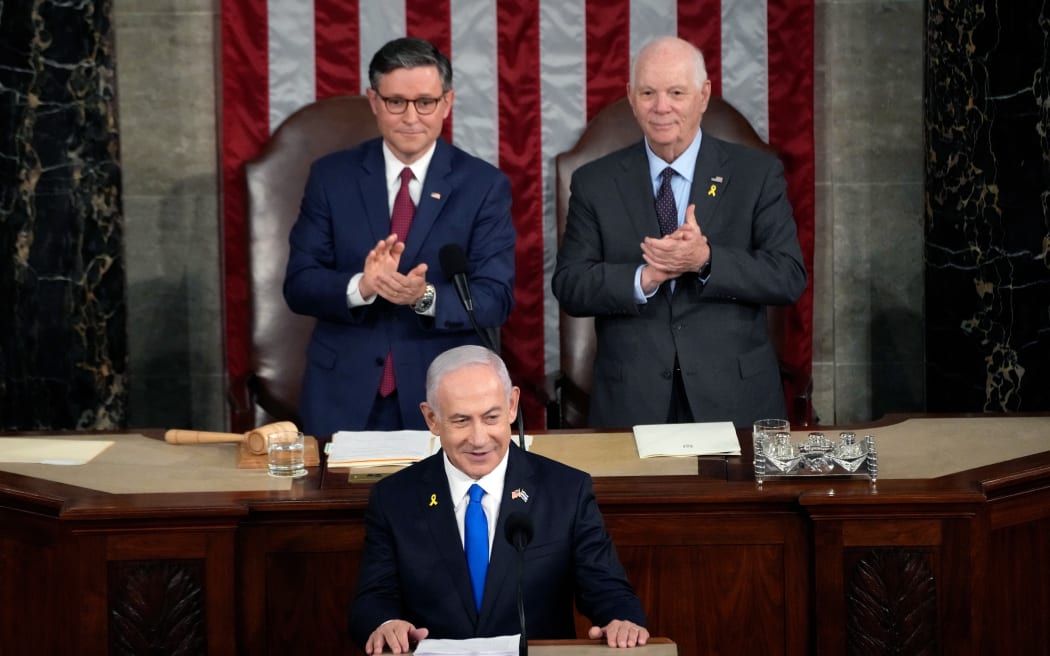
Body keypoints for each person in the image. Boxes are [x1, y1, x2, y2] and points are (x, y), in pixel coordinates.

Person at [551, 36, 806, 429]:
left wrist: (707, 261)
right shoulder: (594, 182)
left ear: (703, 96)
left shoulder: (755, 174)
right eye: (648, 92)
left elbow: (788, 277)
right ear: (631, 98)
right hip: (632, 404)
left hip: (734, 402)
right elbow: (570, 285)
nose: (661, 107)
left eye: (676, 92)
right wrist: (642, 278)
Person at [283, 37, 516, 437]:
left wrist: (423, 297)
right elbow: (299, 283)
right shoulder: (331, 177)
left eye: (425, 101)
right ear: (373, 101)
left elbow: (495, 300)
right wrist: (362, 285)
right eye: (396, 102)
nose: (411, 116)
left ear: (447, 102)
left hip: (446, 400)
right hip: (344, 394)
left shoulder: (483, 186)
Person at [348, 345, 649, 653]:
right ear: (432, 419)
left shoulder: (566, 491)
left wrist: (621, 620)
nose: (479, 439)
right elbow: (373, 598)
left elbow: (608, 590)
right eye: (461, 421)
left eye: (491, 417)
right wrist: (386, 624)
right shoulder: (394, 498)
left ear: (512, 405)